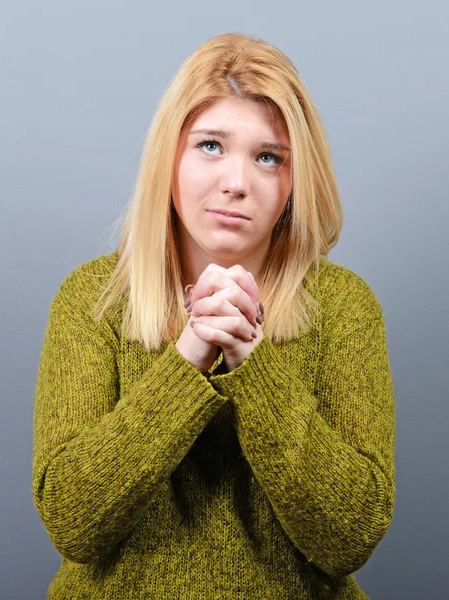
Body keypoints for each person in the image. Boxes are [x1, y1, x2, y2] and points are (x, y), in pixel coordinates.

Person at [32, 32, 396, 599]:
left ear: (294, 182)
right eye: (210, 145)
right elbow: (74, 522)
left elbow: (348, 538)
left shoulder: (344, 308)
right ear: (168, 154)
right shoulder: (92, 299)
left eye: (268, 157)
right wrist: (189, 358)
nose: (236, 182)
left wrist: (252, 361)